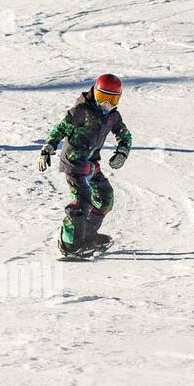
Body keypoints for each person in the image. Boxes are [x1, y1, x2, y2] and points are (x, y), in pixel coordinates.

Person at [38, 74, 132, 255]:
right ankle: (69, 243)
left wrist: (122, 152)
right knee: (82, 202)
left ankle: (86, 235)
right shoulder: (81, 111)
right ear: (95, 93)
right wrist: (48, 147)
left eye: (113, 99)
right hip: (74, 162)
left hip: (91, 163)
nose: (107, 104)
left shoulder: (113, 116)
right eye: (103, 98)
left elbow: (124, 135)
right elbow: (60, 128)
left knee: (105, 197)